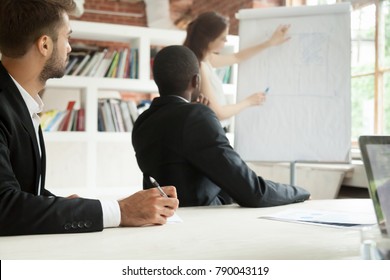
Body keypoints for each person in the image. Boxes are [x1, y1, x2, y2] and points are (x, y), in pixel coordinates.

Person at [0, 0, 178, 236]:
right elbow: (5, 207)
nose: (70, 48)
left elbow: (24, 192)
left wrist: (73, 208)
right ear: (45, 44)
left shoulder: (19, 102)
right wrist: (120, 211)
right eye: (67, 37)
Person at [132, 45, 310, 207]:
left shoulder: (142, 122)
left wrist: (202, 116)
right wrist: (300, 192)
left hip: (165, 222)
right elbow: (253, 192)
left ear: (156, 80)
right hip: (205, 226)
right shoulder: (197, 117)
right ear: (196, 81)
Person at [183, 11, 290, 130]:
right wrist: (249, 101)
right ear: (208, 39)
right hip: (209, 130)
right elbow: (219, 113)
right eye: (223, 38)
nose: (226, 41)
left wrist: (269, 43)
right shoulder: (200, 66)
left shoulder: (207, 58)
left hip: (211, 129)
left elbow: (237, 57)